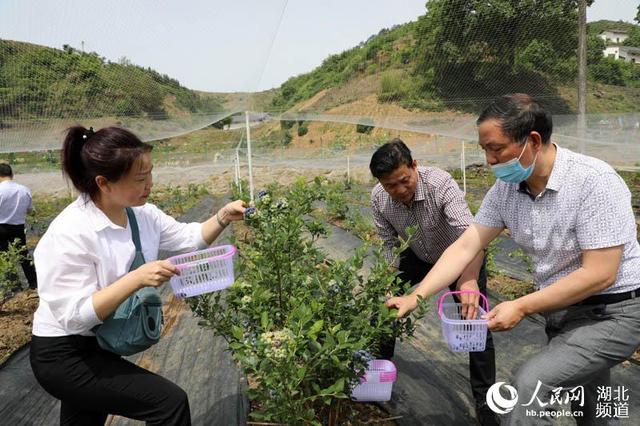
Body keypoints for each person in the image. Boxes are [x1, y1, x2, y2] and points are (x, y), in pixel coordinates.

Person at [386, 94, 640, 425]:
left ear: (532, 141)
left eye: (497, 149)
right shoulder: (507, 191)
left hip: (613, 314)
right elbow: (465, 247)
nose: (490, 160)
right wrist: (414, 296)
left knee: (532, 383)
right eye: (484, 150)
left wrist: (520, 306)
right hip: (564, 312)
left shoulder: (593, 181)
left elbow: (600, 274)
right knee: (592, 412)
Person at [30, 126, 246, 426]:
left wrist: (223, 216)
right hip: (64, 354)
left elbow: (188, 238)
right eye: (140, 179)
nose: (150, 185)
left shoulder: (142, 214)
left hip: (98, 344)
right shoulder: (70, 233)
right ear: (103, 183)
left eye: (150, 174)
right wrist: (137, 278)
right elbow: (74, 317)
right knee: (168, 404)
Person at [369, 139, 498, 426]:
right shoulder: (379, 198)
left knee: (474, 321)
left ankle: (485, 399)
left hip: (460, 256)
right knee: (384, 306)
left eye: (404, 180)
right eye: (391, 185)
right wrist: (387, 280)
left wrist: (469, 281)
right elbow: (389, 244)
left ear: (414, 165)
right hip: (416, 255)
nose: (400, 190)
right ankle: (378, 369)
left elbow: (470, 235)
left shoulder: (440, 184)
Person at [0, 163, 38, 289]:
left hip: (1, 227)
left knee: (4, 257)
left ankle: (14, 286)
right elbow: (29, 210)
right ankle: (33, 283)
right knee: (23, 256)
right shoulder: (24, 189)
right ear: (12, 174)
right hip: (18, 227)